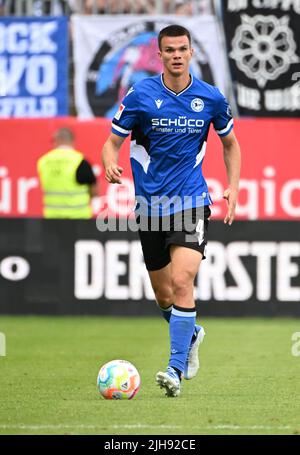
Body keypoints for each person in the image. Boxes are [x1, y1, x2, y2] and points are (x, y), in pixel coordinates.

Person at [101, 25, 241, 397]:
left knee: (183, 281)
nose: (177, 55)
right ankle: (191, 332)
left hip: (192, 202)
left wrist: (233, 185)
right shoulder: (140, 95)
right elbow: (112, 142)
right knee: (164, 296)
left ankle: (175, 369)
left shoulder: (210, 98)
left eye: (183, 49)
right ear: (159, 55)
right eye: (170, 50)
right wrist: (109, 162)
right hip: (150, 207)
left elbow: (231, 144)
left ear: (191, 52)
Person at [37, 127, 98, 218]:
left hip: (52, 218)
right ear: (72, 141)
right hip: (78, 218)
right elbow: (94, 190)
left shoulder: (43, 161)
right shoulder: (80, 161)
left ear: (57, 140)